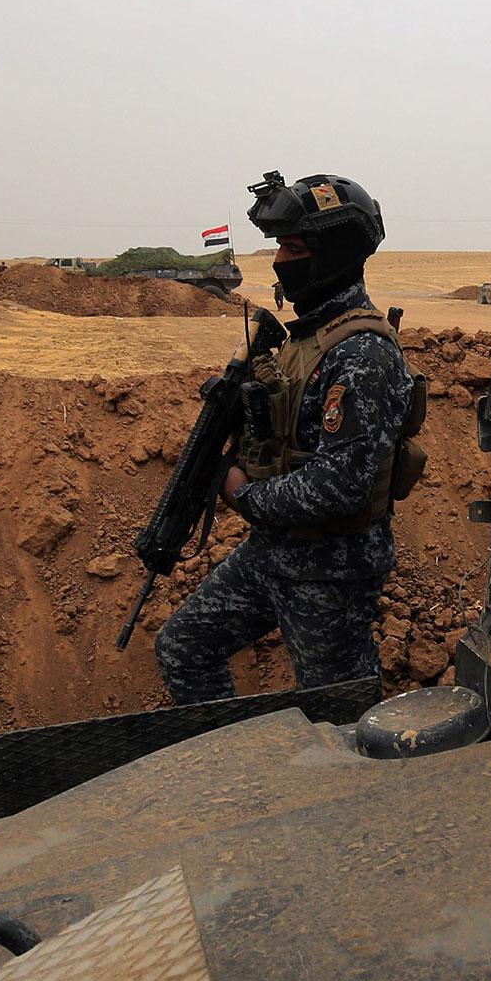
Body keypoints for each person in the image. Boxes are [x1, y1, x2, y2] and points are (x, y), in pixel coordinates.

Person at [156, 171, 414, 700]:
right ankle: (242, 765)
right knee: (183, 648)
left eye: (292, 248)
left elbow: (339, 484)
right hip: (272, 553)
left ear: (333, 253)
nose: (279, 262)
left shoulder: (362, 353)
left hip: (331, 573)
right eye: (279, 247)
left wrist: (241, 493)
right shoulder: (306, 340)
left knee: (338, 717)